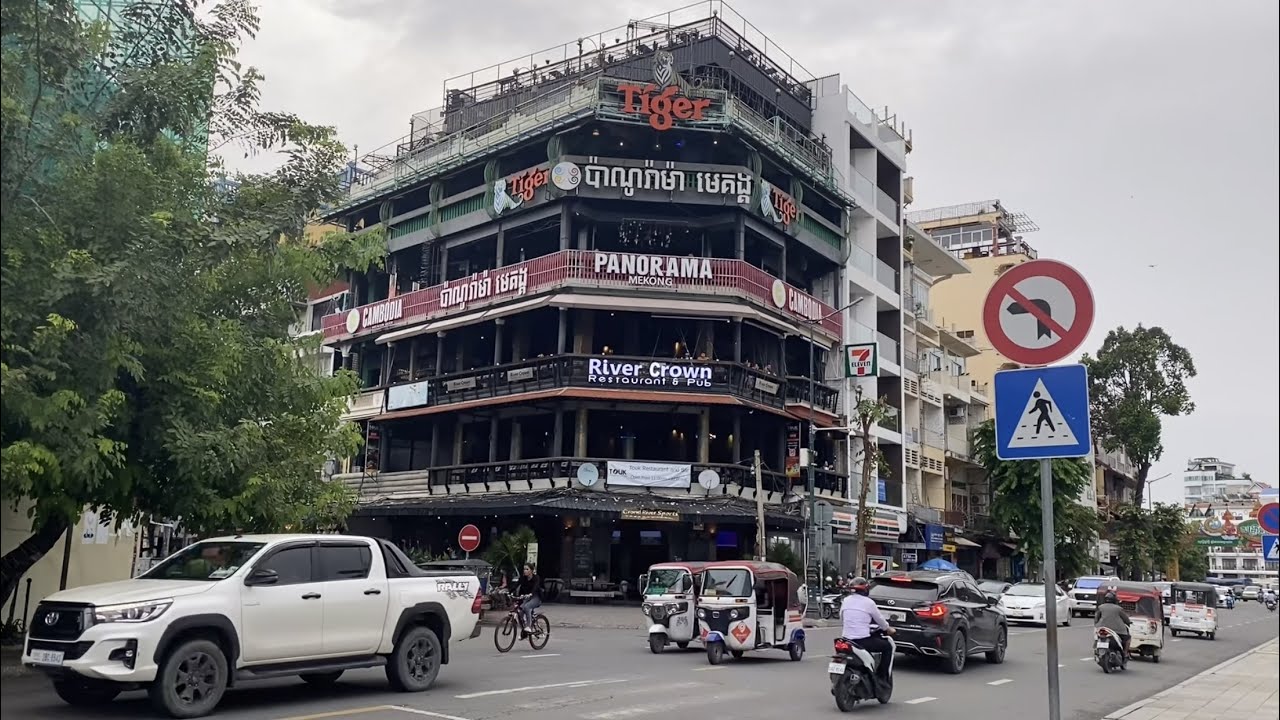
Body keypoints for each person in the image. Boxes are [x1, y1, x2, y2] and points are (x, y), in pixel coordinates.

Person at [839, 577, 896, 687]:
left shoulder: (846, 601)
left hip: (845, 639)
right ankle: (882, 678)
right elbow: (881, 621)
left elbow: (841, 618)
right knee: (887, 647)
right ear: (866, 590)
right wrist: (888, 629)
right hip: (861, 640)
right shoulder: (869, 603)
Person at [1094, 591, 1131, 658]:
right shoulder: (1118, 609)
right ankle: (1125, 653)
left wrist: (1097, 625)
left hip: (1102, 629)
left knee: (1097, 638)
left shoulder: (1100, 607)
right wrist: (1128, 622)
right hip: (1118, 630)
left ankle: (1096, 649)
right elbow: (1125, 619)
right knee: (1128, 638)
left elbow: (1096, 618)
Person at [513, 564, 543, 635]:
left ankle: (528, 626)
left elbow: (535, 587)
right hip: (527, 597)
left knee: (527, 607)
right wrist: (510, 592)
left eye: (527, 569)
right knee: (520, 612)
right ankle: (524, 632)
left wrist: (531, 593)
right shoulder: (523, 578)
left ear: (531, 570)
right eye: (524, 569)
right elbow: (516, 585)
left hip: (536, 597)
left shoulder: (536, 578)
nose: (525, 571)